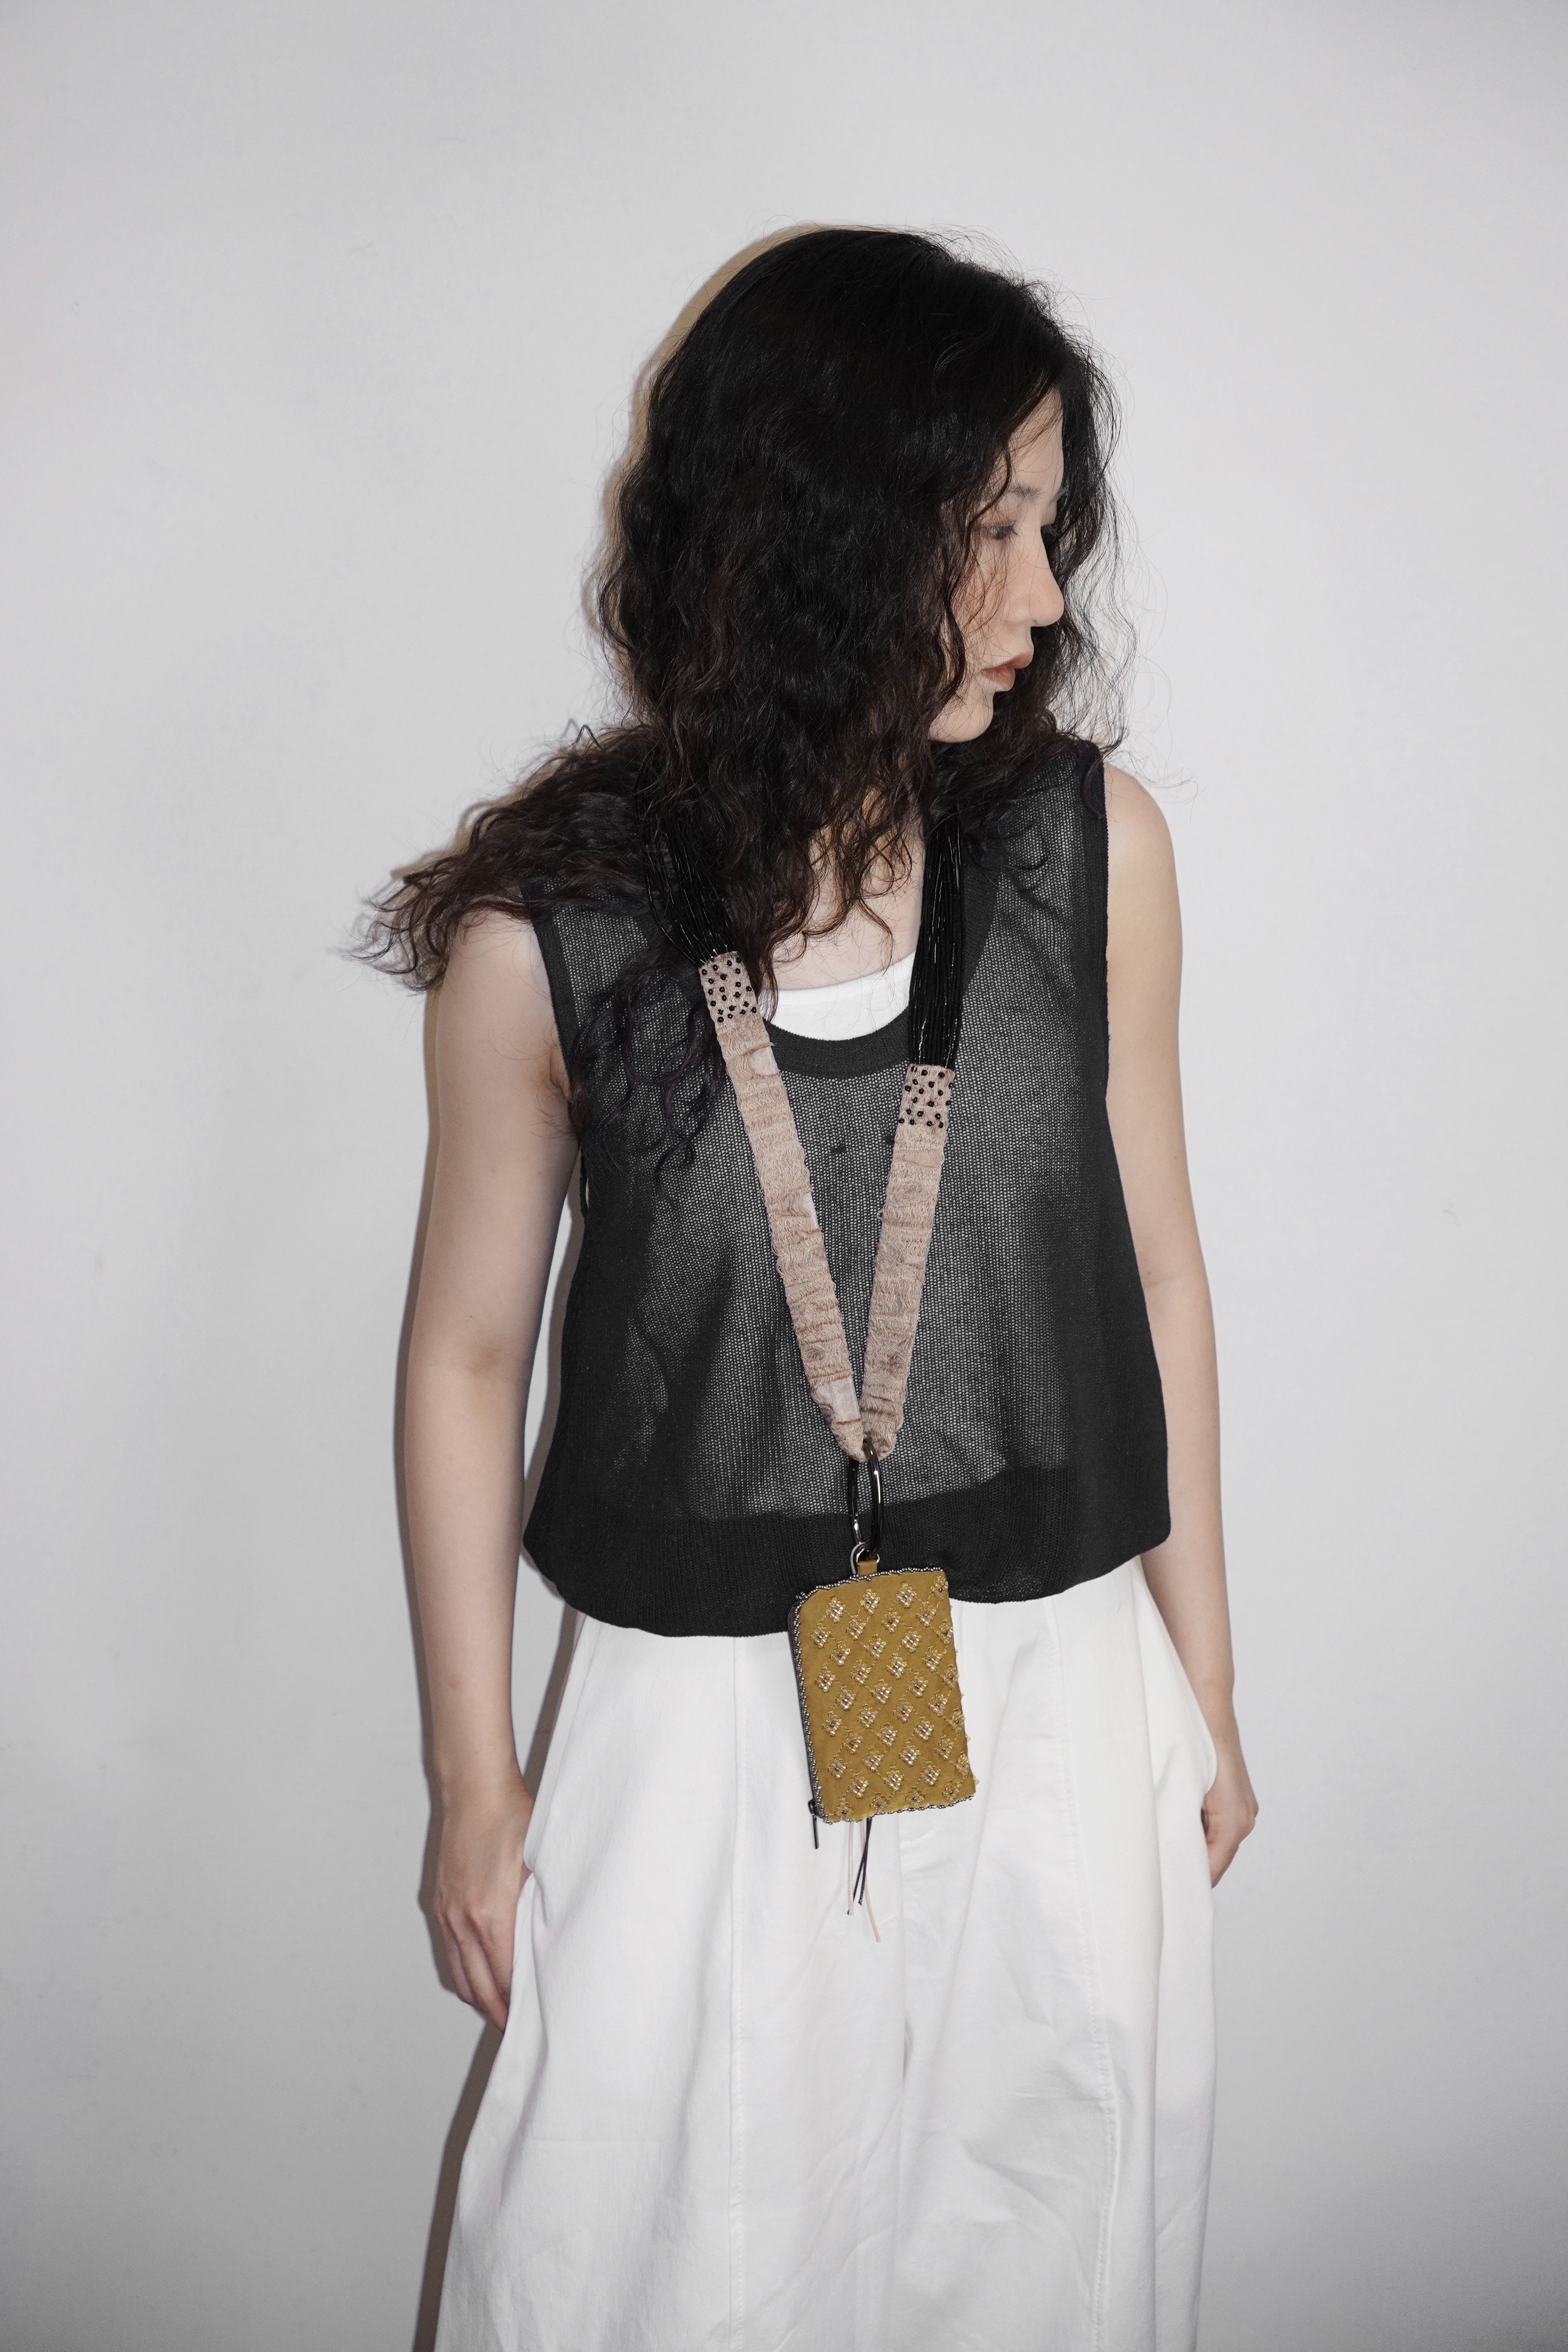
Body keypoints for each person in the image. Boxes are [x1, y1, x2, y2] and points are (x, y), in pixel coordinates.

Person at [366, 225, 1258, 2352]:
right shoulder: (554, 937)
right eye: (995, 530)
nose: (1046, 599)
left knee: (1045, 2260)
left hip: (1056, 1690)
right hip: (691, 1722)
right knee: (655, 2270)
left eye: (1051, 528)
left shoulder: (1089, 856)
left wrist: (1206, 1684)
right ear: (827, 533)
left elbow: (1161, 1264)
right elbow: (468, 1356)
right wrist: (475, 1782)